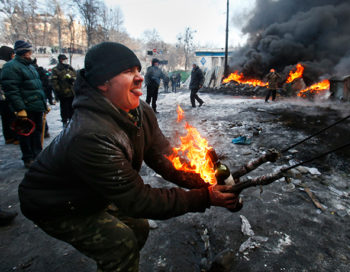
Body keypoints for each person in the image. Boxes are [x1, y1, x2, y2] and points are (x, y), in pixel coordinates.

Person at [18, 42, 239, 272]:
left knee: (138, 228)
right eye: (127, 72)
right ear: (102, 83)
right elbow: (138, 199)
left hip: (95, 190)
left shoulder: (141, 110)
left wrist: (208, 182)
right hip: (55, 202)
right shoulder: (90, 134)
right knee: (120, 245)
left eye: (137, 70)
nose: (139, 78)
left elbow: (165, 157)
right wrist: (204, 198)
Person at [1, 40, 48, 168]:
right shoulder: (11, 67)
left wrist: (44, 104)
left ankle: (38, 154)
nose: (30, 53)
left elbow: (37, 87)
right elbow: (11, 90)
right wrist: (20, 108)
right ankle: (28, 157)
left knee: (37, 131)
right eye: (28, 51)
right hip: (26, 107)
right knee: (26, 133)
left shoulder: (30, 66)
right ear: (22, 52)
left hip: (36, 105)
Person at [51, 54, 76, 127]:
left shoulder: (70, 68)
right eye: (63, 59)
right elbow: (54, 82)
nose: (65, 60)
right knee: (64, 108)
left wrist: (72, 79)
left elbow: (75, 76)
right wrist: (58, 91)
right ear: (60, 60)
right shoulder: (56, 69)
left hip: (72, 92)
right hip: (63, 93)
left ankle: (72, 121)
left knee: (72, 108)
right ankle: (64, 121)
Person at [32, 58, 54, 138]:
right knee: (40, 117)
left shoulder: (35, 70)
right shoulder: (38, 70)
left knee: (38, 117)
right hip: (39, 96)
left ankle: (43, 132)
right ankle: (44, 132)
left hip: (36, 97)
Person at [0, 45, 18, 145]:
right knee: (13, 117)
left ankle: (8, 137)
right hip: (8, 95)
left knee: (4, 118)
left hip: (1, 98)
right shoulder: (7, 66)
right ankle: (16, 137)